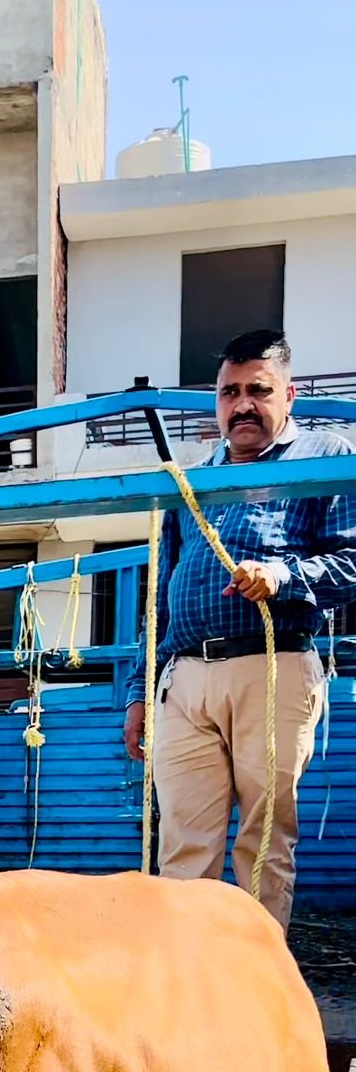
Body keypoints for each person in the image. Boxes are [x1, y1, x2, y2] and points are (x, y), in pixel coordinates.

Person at [124, 330, 356, 929]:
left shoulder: (327, 457)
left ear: (289, 395)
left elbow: (352, 562)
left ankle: (254, 998)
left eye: (259, 390)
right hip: (184, 676)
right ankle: (187, 992)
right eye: (230, 392)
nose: (243, 404)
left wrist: (282, 576)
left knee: (264, 844)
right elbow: (159, 597)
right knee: (182, 849)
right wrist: (137, 694)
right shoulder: (192, 477)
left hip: (273, 667)